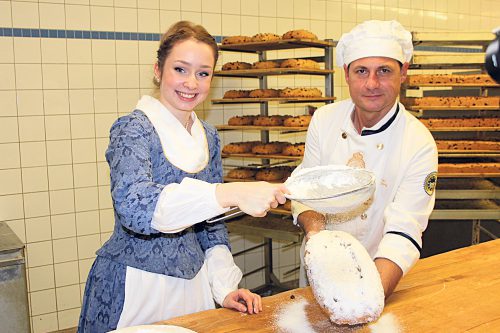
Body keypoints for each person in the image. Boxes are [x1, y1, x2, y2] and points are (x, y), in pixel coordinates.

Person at [78, 21, 288, 332]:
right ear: (158, 70)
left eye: (203, 73)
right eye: (180, 69)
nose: (191, 82)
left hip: (193, 287)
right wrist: (229, 194)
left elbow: (211, 225)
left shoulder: (209, 136)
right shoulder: (133, 129)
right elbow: (135, 208)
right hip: (136, 286)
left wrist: (224, 288)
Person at [293, 20, 438, 298]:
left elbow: (403, 231)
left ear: (403, 72)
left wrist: (366, 299)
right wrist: (316, 235)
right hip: (318, 269)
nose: (372, 83)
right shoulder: (324, 121)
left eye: (384, 71)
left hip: (380, 274)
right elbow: (304, 192)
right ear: (346, 73)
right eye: (361, 71)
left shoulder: (418, 143)